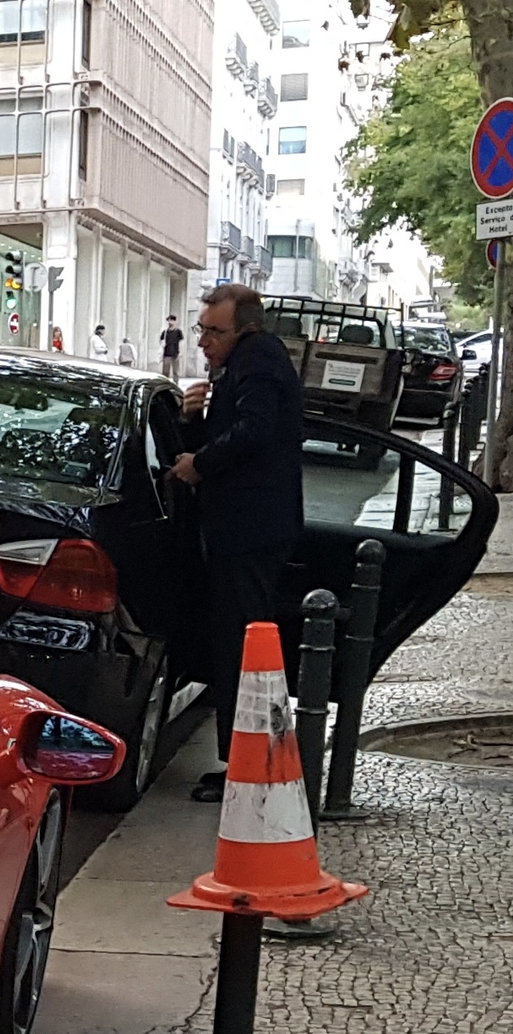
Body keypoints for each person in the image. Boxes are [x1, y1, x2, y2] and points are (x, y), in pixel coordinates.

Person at [167, 283, 305, 802]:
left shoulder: (260, 360)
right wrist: (190, 420)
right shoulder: (241, 364)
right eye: (201, 329)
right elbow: (235, 430)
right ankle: (245, 759)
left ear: (245, 328)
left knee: (245, 649)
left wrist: (199, 466)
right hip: (245, 529)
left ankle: (251, 765)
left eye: (213, 331)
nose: (202, 341)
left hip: (251, 530)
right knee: (237, 646)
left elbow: (255, 431)